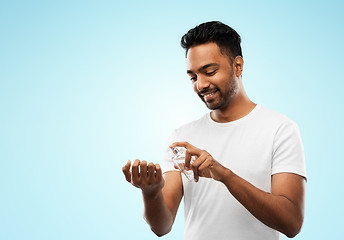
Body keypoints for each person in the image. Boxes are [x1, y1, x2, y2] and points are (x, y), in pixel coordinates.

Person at [122, 21, 306, 240]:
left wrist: (224, 175)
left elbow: (291, 223)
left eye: (209, 71)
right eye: (193, 77)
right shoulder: (181, 138)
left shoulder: (280, 129)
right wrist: (150, 193)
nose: (200, 85)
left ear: (238, 66)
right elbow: (162, 226)